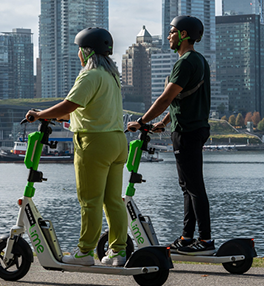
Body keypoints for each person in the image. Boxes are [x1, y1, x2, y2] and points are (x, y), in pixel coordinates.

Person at [25, 27, 128, 266]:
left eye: (79, 50)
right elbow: (90, 111)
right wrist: (59, 118)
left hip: (94, 143)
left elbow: (69, 104)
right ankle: (118, 251)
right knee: (113, 200)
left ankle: (84, 252)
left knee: (89, 200)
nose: (78, 55)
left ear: (86, 51)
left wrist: (40, 115)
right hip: (117, 141)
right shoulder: (111, 77)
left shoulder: (89, 75)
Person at [127, 15, 214, 256]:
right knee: (188, 186)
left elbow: (166, 97)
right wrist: (163, 123)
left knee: (194, 186)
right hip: (190, 127)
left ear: (184, 34)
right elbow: (182, 98)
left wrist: (142, 121)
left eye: (172, 32)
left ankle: (205, 239)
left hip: (187, 131)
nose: (169, 36)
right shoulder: (199, 61)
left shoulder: (185, 62)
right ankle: (187, 237)